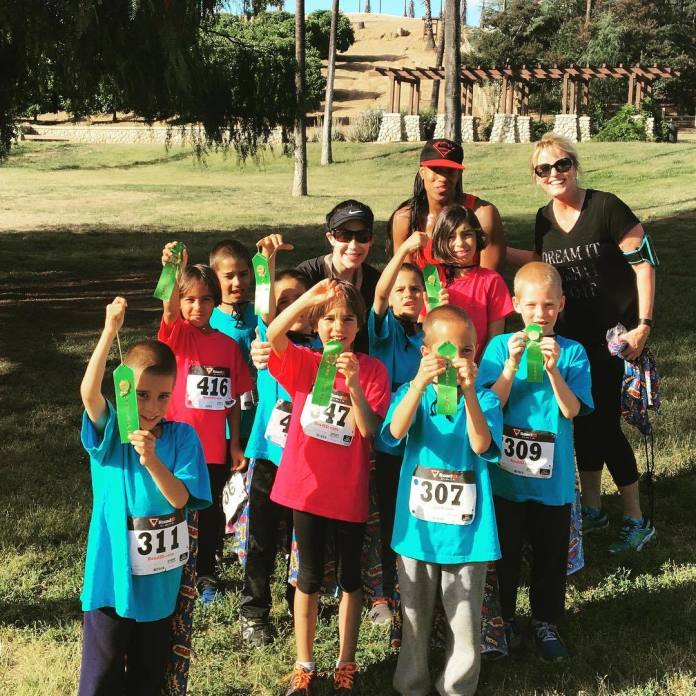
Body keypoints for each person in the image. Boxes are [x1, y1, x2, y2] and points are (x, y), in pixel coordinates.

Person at [509, 132, 657, 553]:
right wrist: (499, 251)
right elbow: (544, 260)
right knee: (582, 423)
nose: (554, 173)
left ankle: (636, 518)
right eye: (544, 169)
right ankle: (593, 508)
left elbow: (643, 264)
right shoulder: (544, 218)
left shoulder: (605, 207)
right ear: (536, 177)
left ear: (574, 165)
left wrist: (643, 325)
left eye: (562, 164)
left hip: (613, 340)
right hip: (570, 340)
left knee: (606, 426)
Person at [78, 297, 211, 696]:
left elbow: (179, 499)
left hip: (159, 584)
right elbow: (88, 394)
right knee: (100, 678)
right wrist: (108, 332)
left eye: (162, 396)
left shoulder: (183, 437)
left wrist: (152, 460)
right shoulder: (112, 431)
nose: (151, 406)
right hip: (110, 580)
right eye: (140, 394)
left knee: (147, 676)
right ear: (123, 393)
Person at [266, 279, 390, 695]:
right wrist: (309, 299)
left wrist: (354, 384)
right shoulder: (305, 363)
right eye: (330, 319)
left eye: (348, 319)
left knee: (352, 579)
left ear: (359, 327)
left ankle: (346, 662)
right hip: (307, 488)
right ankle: (305, 664)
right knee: (309, 577)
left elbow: (372, 430)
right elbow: (273, 334)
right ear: (316, 326)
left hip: (348, 491)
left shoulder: (372, 370)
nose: (338, 326)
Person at [380, 304, 503, 696]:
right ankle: (411, 685)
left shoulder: (485, 401)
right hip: (418, 533)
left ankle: (456, 687)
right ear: (426, 353)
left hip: (468, 537)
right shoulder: (409, 393)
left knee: (464, 621)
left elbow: (482, 443)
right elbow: (394, 434)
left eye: (467, 350)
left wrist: (468, 394)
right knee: (414, 616)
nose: (457, 359)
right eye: (446, 351)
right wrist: (417, 385)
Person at [478, 262, 593, 662]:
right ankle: (503, 619)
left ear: (561, 305)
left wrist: (553, 369)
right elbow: (491, 402)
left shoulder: (573, 353)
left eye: (548, 305)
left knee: (549, 554)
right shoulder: (497, 348)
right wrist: (510, 365)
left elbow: (573, 409)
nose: (539, 314)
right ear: (515, 306)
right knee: (504, 552)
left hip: (553, 481)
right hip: (505, 479)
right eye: (531, 306)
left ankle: (545, 621)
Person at [157, 244, 253, 602]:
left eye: (206, 299)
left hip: (213, 447)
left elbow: (231, 399)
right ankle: (172, 563)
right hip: (176, 443)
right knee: (174, 505)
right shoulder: (177, 335)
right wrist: (172, 269)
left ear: (216, 301)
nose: (198, 307)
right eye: (190, 300)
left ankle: (206, 573)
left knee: (210, 510)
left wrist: (234, 443)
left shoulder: (228, 346)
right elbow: (166, 309)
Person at [240, 234, 320, 647]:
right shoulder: (268, 344)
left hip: (309, 464)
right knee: (262, 540)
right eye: (283, 303)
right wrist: (265, 264)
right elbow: (265, 310)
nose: (291, 309)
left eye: (300, 302)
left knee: (301, 541)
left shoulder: (325, 347)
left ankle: (297, 605)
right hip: (269, 459)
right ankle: (254, 611)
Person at [367, 231, 434, 624]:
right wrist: (406, 251)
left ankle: (419, 587)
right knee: (388, 519)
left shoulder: (434, 334)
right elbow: (377, 297)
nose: (409, 294)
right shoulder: (384, 332)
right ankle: (381, 594)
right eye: (401, 289)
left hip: (425, 445)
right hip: (390, 445)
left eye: (416, 289)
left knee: (420, 513)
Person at [389, 138, 506, 272]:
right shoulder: (405, 219)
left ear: (458, 174)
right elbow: (404, 281)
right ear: (422, 172)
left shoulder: (482, 214)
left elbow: (490, 284)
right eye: (436, 170)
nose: (443, 178)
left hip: (475, 293)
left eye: (450, 171)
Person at [429, 204, 513, 362]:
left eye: (466, 234)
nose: (460, 243)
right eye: (451, 237)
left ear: (477, 237)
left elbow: (495, 340)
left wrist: (482, 373)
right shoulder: (432, 278)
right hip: (439, 372)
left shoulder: (492, 281)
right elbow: (421, 332)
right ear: (440, 240)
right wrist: (435, 312)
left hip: (480, 371)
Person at [296, 199, 380, 353]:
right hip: (310, 363)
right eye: (344, 236)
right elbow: (282, 317)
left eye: (362, 236)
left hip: (359, 367)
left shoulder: (375, 282)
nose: (354, 245)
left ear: (371, 240)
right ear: (331, 238)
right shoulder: (307, 274)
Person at [209, 238, 258, 444]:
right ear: (214, 278)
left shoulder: (261, 315)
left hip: (258, 421)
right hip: (222, 425)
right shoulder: (206, 319)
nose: (237, 282)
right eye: (229, 276)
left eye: (243, 274)